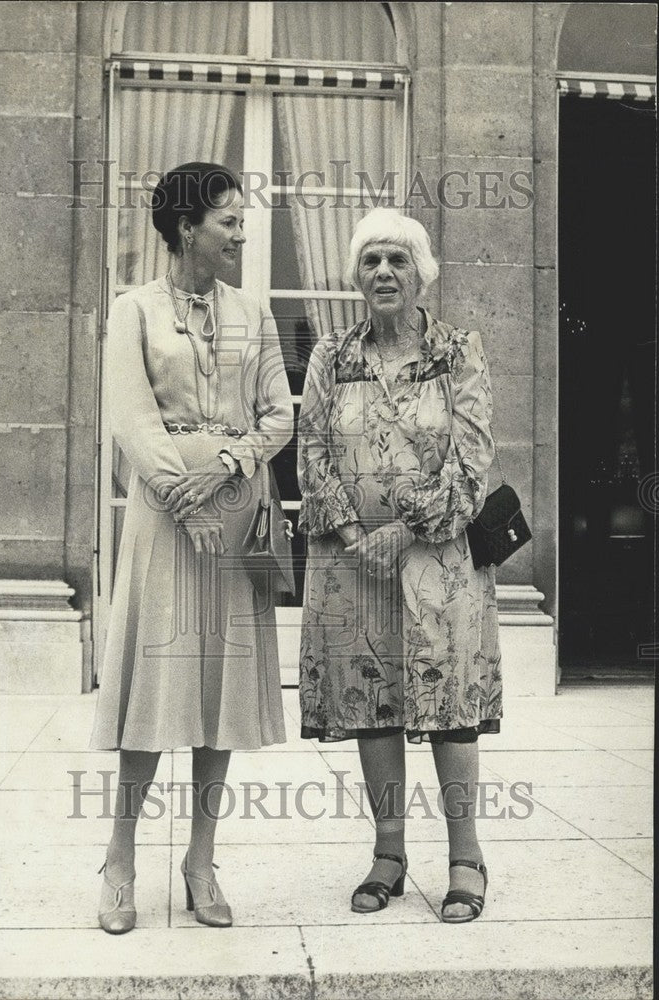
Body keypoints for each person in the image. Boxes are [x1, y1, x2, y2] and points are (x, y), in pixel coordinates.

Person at [90, 162, 293, 932]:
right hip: (164, 511)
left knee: (221, 694)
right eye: (228, 221)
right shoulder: (134, 309)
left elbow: (279, 416)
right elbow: (130, 415)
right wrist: (184, 495)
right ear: (186, 228)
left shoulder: (254, 312)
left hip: (235, 512)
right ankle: (119, 860)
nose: (240, 234)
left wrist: (231, 467)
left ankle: (200, 861)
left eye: (242, 221)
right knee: (154, 685)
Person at [297, 207, 502, 923]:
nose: (383, 272)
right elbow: (312, 453)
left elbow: (473, 460)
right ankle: (389, 854)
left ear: (422, 273)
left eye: (398, 259)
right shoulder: (332, 356)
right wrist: (357, 533)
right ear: (356, 276)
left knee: (450, 707)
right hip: (352, 563)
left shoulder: (458, 351)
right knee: (370, 702)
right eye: (371, 261)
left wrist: (403, 530)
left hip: (439, 562)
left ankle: (466, 857)